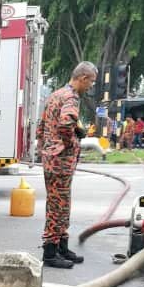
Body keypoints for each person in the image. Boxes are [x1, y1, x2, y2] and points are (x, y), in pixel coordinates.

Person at [35, 61, 97, 269]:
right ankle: (50, 252)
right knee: (58, 207)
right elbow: (65, 124)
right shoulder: (71, 97)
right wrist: (71, 144)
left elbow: (41, 127)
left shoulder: (55, 95)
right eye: (91, 82)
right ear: (83, 78)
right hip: (61, 160)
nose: (90, 86)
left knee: (61, 204)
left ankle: (62, 246)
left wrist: (45, 150)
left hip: (52, 159)